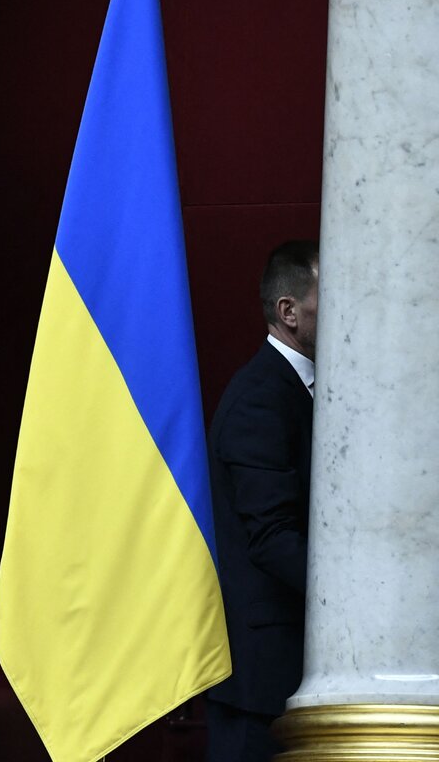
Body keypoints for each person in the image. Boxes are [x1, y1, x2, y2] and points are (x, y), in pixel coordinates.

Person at [205, 240, 319, 762]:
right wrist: (363, 599)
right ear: (288, 311)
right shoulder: (259, 397)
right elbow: (273, 539)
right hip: (262, 683)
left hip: (295, 673)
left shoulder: (309, 388)